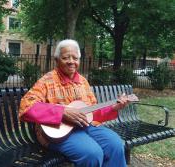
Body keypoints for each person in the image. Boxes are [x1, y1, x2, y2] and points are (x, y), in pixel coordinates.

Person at [19, 39, 129, 167]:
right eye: (66, 57)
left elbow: (92, 113)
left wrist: (114, 108)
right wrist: (62, 112)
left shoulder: (83, 81)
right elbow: (26, 107)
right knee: (92, 153)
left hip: (85, 126)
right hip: (58, 132)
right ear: (57, 60)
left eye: (75, 58)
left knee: (115, 144)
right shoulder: (46, 81)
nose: (71, 61)